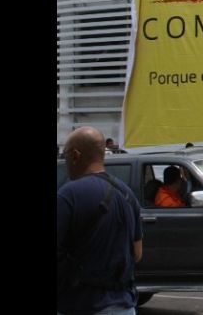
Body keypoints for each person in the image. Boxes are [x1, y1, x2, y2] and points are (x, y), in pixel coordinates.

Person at [57, 126, 143, 315]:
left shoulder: (67, 195)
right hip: (124, 307)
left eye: (65, 155)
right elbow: (137, 253)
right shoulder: (127, 194)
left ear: (75, 155)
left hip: (80, 305)